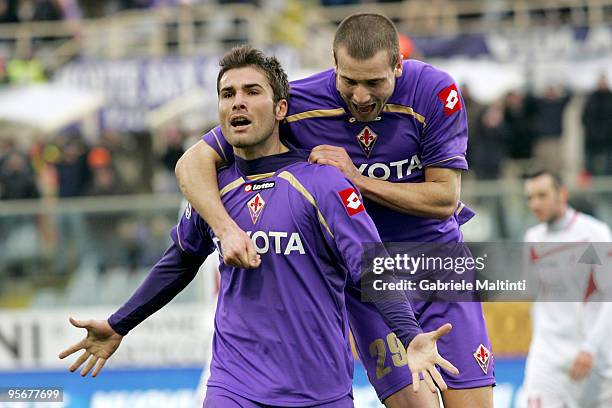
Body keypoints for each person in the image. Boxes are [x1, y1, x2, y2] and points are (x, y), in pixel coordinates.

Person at [59, 46, 458, 407]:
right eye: (228, 94)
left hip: (318, 391)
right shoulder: (213, 191)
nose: (238, 103)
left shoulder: (322, 182)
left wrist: (410, 336)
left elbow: (371, 267)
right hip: (235, 386)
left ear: (281, 109)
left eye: (252, 92)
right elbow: (180, 260)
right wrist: (119, 324)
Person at [175, 13, 494, 408]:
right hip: (368, 279)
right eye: (349, 82)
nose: (360, 96)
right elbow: (191, 164)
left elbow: (444, 199)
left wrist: (355, 178)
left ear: (398, 65)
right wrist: (224, 228)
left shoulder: (434, 91)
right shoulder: (296, 103)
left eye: (374, 83)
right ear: (333, 63)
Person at [523, 170, 612, 408]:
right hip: (547, 358)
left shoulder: (594, 233)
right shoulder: (532, 238)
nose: (535, 204)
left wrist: (590, 348)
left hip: (592, 357)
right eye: (530, 198)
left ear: (562, 194)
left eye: (542, 195)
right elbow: (536, 298)